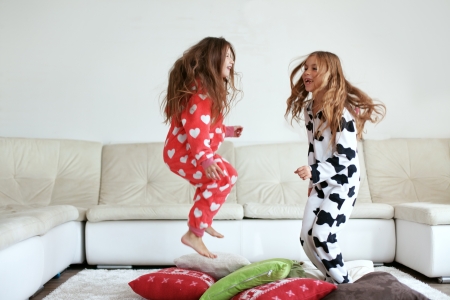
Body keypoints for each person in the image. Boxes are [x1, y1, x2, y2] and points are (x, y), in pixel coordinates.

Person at [285, 51, 385, 284]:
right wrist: (313, 181)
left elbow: (346, 157)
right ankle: (333, 278)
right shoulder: (310, 109)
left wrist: (315, 172)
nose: (306, 73)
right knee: (306, 237)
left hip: (343, 182)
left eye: (314, 69)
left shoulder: (342, 110)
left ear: (330, 75)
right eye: (306, 68)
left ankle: (345, 286)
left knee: (322, 235)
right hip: (321, 181)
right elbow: (314, 149)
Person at [162, 37, 243, 258]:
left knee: (229, 175)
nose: (231, 61)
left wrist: (226, 131)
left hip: (191, 151)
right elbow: (195, 126)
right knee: (221, 177)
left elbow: (204, 125)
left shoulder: (206, 89)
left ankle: (201, 220)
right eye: (227, 56)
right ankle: (194, 232)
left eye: (232, 57)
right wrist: (205, 159)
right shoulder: (199, 90)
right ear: (211, 59)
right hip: (183, 153)